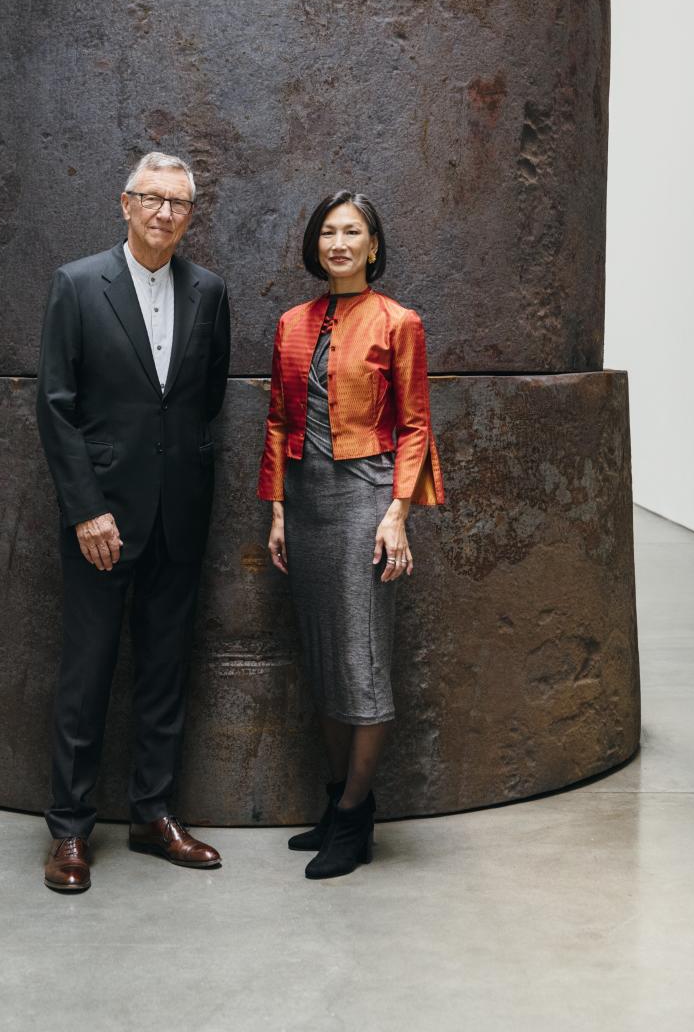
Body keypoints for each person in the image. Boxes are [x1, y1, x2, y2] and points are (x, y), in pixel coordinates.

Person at [36, 151, 230, 892]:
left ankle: (153, 815)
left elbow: (203, 397)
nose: (164, 214)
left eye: (178, 204)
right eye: (151, 200)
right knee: (86, 677)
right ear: (124, 204)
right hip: (101, 521)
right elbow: (56, 405)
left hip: (179, 513)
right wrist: (86, 507)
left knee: (163, 674)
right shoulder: (78, 285)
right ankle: (71, 831)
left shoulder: (210, 292)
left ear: (190, 215)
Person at [258, 190, 445, 880]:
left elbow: (417, 424)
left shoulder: (400, 322)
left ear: (372, 246)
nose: (338, 242)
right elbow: (278, 420)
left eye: (352, 232)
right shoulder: (291, 324)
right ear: (316, 244)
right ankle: (338, 804)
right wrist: (278, 510)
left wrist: (397, 514)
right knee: (325, 655)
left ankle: (355, 814)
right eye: (328, 232)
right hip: (305, 501)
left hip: (367, 497)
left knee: (361, 661)